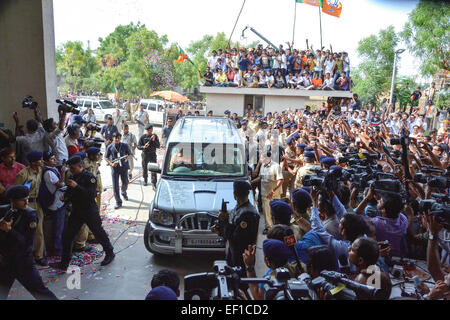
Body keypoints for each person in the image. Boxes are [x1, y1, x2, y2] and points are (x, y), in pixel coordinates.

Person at [49, 155, 115, 271]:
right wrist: (66, 197)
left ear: (80, 166)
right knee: (67, 236)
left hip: (89, 210)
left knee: (98, 232)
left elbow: (91, 195)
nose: (71, 171)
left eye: (73, 168)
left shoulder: (89, 177)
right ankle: (64, 263)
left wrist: (77, 186)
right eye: (70, 168)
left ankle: (109, 252)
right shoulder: (73, 176)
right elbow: (70, 191)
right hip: (77, 211)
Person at [0, 186, 58, 300]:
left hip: (23, 261)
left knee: (41, 292)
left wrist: (9, 230)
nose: (27, 202)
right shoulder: (3, 210)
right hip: (6, 261)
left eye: (27, 198)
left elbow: (27, 243)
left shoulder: (30, 215)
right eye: (22, 200)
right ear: (12, 201)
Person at [211, 181, 259, 272]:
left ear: (234, 194)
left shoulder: (247, 214)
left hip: (242, 256)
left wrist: (224, 221)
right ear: (247, 193)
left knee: (240, 282)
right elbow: (232, 228)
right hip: (233, 253)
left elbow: (236, 237)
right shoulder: (238, 208)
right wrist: (219, 230)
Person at [14, 151, 47, 267]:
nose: (42, 161)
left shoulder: (40, 170)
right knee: (25, 232)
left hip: (37, 203)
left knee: (39, 231)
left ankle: (39, 256)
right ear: (33, 162)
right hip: (26, 205)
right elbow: (16, 192)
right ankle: (24, 257)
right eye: (40, 159)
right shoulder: (23, 174)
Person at [39, 152, 66, 258]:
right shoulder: (49, 173)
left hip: (59, 201)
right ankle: (57, 251)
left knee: (59, 227)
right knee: (58, 229)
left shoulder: (52, 170)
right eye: (52, 159)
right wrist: (63, 173)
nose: (54, 160)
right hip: (56, 203)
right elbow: (60, 184)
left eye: (55, 158)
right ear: (45, 161)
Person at [251, 151, 284, 234]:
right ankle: (268, 227)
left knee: (276, 211)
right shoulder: (262, 165)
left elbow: (281, 180)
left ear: (267, 158)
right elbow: (260, 177)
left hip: (274, 194)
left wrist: (273, 191)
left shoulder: (276, 166)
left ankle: (277, 227)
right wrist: (251, 182)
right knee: (266, 211)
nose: (260, 159)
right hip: (265, 194)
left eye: (262, 158)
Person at [105, 133, 131, 210]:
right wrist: (111, 164)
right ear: (113, 138)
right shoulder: (110, 147)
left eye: (118, 138)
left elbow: (129, 154)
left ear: (120, 138)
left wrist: (126, 159)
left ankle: (123, 191)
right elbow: (106, 157)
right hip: (115, 169)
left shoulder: (124, 145)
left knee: (125, 182)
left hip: (123, 167)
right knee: (115, 186)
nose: (117, 139)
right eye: (115, 138)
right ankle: (118, 202)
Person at [137, 124, 160, 188]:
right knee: (144, 168)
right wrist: (143, 147)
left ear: (152, 130)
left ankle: (154, 183)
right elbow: (138, 146)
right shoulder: (143, 137)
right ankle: (145, 180)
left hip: (152, 154)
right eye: (147, 130)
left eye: (149, 130)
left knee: (154, 168)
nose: (148, 131)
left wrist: (154, 140)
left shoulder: (155, 136)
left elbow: (158, 146)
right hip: (145, 154)